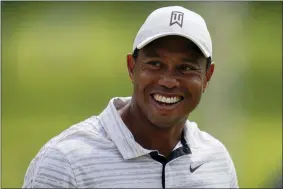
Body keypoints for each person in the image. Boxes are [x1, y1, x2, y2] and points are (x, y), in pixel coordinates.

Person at [22, 6, 239, 188]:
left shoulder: (216, 160)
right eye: (155, 64)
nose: (169, 80)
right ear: (131, 67)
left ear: (207, 77)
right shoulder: (65, 162)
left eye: (186, 67)